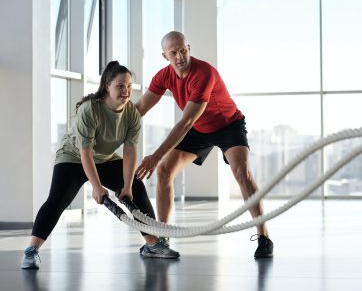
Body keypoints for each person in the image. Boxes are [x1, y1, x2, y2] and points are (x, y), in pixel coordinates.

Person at [21, 61, 179, 270]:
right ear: (107, 86)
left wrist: (128, 185)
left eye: (129, 86)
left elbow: (130, 151)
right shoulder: (90, 109)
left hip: (104, 157)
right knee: (58, 199)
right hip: (74, 156)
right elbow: (85, 153)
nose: (126, 91)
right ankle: (31, 251)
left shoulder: (131, 113)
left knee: (138, 188)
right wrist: (96, 187)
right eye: (120, 86)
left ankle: (152, 245)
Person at [134, 31, 273, 258]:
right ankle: (161, 240)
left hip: (228, 125)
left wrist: (155, 155)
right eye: (173, 53)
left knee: (242, 173)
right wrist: (106, 119)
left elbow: (187, 122)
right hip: (199, 129)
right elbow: (139, 109)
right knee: (164, 171)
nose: (179, 56)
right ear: (164, 56)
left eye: (183, 50)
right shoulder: (163, 76)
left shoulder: (204, 73)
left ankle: (264, 237)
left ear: (188, 48)